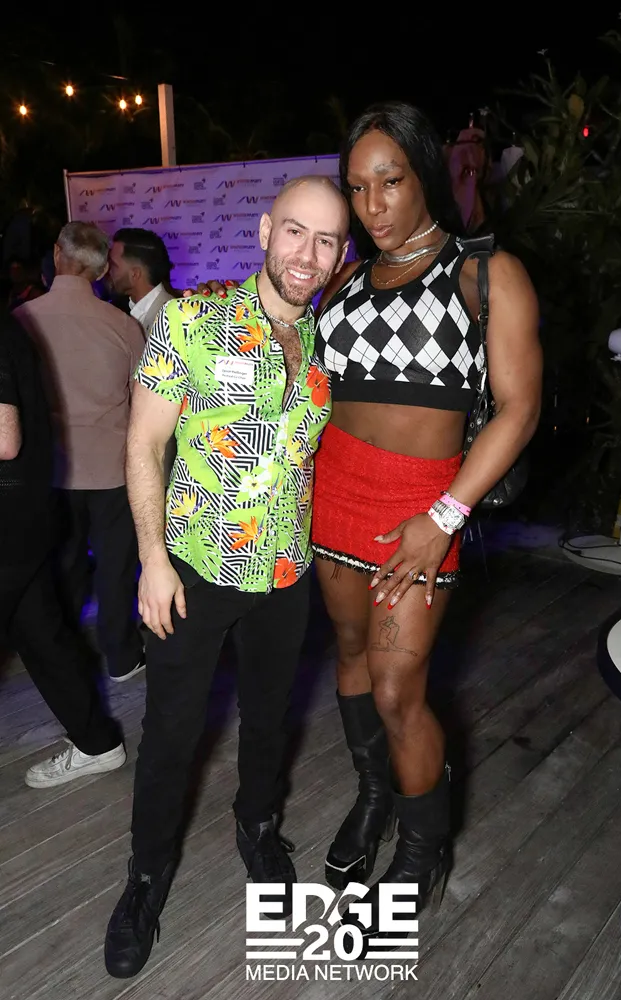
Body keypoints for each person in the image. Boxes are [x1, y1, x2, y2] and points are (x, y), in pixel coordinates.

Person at [103, 175, 350, 979]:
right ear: (266, 231)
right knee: (172, 734)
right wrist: (151, 560)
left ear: (339, 254)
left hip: (285, 573)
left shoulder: (325, 344)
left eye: (326, 240)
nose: (308, 254)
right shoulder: (191, 321)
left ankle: (258, 827)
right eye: (296, 232)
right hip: (193, 569)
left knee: (271, 719)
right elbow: (144, 444)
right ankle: (146, 877)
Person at [311, 102, 542, 938]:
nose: (371, 205)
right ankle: (374, 794)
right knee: (349, 657)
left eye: (390, 181)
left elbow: (519, 409)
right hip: (333, 498)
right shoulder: (343, 279)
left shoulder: (485, 273)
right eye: (356, 187)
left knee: (398, 688)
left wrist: (443, 517)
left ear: (424, 175)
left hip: (420, 511)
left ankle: (421, 851)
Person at [14, 222, 147, 683]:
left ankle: (64, 656)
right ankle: (121, 656)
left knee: (61, 566)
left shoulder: (22, 321)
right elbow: (140, 400)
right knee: (115, 568)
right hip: (112, 468)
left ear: (57, 254)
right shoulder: (124, 326)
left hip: (51, 469)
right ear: (102, 270)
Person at [0, 310, 126, 787]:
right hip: (24, 516)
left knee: (42, 633)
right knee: (40, 633)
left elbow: (4, 439)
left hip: (9, 520)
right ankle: (98, 742)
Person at [108, 229, 174, 334]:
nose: (109, 270)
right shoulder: (116, 311)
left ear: (135, 274)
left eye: (114, 266)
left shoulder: (172, 318)